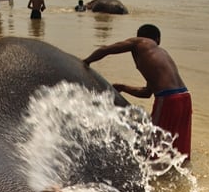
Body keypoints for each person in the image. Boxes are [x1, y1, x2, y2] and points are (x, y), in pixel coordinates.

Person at [82, 24, 192, 157]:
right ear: (158, 39)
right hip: (185, 97)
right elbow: (146, 93)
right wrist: (123, 88)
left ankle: (154, 174)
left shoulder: (138, 42)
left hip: (168, 99)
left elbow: (107, 49)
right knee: (179, 145)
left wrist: (86, 61)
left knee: (153, 144)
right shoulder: (161, 55)